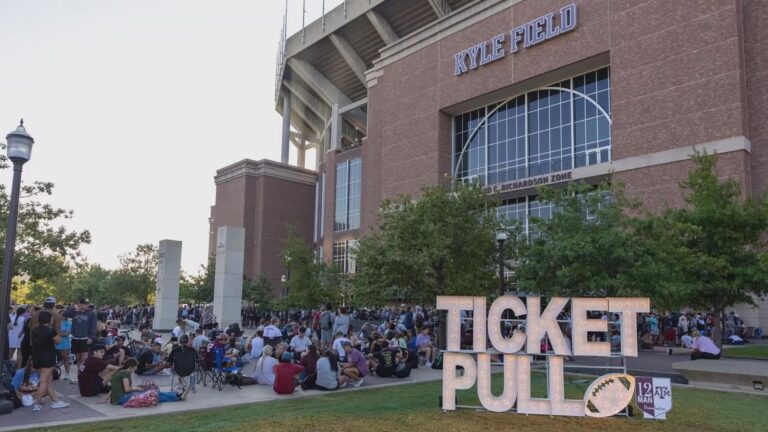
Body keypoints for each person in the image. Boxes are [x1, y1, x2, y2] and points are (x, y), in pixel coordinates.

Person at [30, 310, 69, 410]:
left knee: (48, 380)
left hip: (36, 357)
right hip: (47, 357)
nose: (52, 320)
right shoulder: (50, 330)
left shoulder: (34, 330)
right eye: (51, 318)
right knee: (44, 381)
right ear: (48, 319)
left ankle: (55, 401)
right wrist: (58, 333)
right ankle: (37, 404)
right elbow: (58, 341)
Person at [110, 359, 182, 405]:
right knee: (151, 395)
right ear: (131, 366)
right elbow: (127, 389)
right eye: (135, 367)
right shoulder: (125, 373)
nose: (136, 369)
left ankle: (176, 395)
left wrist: (108, 399)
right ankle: (177, 396)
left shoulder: (121, 372)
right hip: (122, 398)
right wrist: (138, 389)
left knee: (153, 393)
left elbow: (114, 387)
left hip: (119, 398)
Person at [70, 299, 97, 384]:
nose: (84, 305)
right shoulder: (75, 312)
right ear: (79, 304)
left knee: (84, 358)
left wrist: (91, 337)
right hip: (75, 337)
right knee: (78, 358)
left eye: (86, 304)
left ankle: (84, 375)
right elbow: (65, 313)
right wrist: (74, 308)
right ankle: (79, 374)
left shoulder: (91, 313)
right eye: (82, 304)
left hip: (85, 338)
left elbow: (93, 325)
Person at [55, 306, 73, 380]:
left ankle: (67, 374)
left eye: (63, 315)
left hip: (64, 343)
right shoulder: (55, 323)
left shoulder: (68, 323)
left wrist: (58, 333)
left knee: (65, 358)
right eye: (60, 314)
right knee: (52, 359)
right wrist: (61, 333)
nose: (61, 316)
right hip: (55, 343)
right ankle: (54, 373)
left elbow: (66, 334)